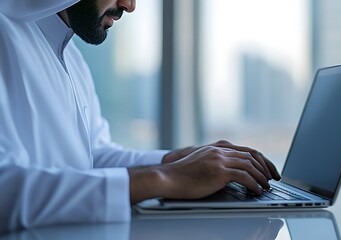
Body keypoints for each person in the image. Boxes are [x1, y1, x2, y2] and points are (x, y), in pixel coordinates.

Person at [0, 0, 281, 232]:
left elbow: (93, 157)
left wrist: (178, 160)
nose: (129, 5)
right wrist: (166, 178)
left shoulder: (70, 57)